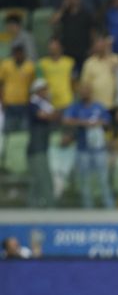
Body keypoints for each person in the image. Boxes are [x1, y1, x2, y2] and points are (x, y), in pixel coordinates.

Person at [63, 84, 115, 209]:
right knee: (84, 182)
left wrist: (97, 123)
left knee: (103, 180)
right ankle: (88, 208)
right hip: (83, 149)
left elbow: (108, 121)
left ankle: (109, 208)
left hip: (99, 149)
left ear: (91, 92)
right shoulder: (76, 107)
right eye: (82, 91)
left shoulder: (98, 107)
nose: (84, 94)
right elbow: (66, 120)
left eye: (87, 91)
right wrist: (83, 123)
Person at [27, 80, 58, 208]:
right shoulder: (33, 104)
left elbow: (54, 115)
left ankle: (33, 206)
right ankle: (49, 206)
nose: (46, 92)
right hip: (36, 148)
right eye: (43, 89)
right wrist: (51, 114)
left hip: (42, 147)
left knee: (39, 179)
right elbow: (44, 116)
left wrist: (51, 113)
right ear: (37, 91)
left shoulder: (45, 104)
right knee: (42, 179)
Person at [0, 45, 36, 131]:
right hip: (9, 102)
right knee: (8, 130)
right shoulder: (6, 65)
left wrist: (31, 100)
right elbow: (1, 83)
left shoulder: (30, 66)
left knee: (24, 130)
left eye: (20, 53)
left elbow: (33, 85)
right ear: (13, 54)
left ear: (23, 54)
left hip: (24, 103)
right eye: (16, 53)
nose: (18, 56)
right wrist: (2, 100)